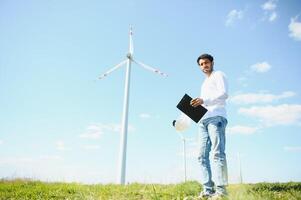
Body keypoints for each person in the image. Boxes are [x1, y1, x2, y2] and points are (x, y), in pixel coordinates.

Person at [190, 53, 229, 199]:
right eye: (201, 64)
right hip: (203, 120)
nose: (204, 66)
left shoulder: (218, 75)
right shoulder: (204, 83)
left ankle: (221, 192)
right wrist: (195, 106)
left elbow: (224, 94)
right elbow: (204, 102)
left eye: (206, 63)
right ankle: (208, 190)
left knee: (217, 153)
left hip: (216, 118)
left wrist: (203, 100)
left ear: (212, 63)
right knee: (201, 156)